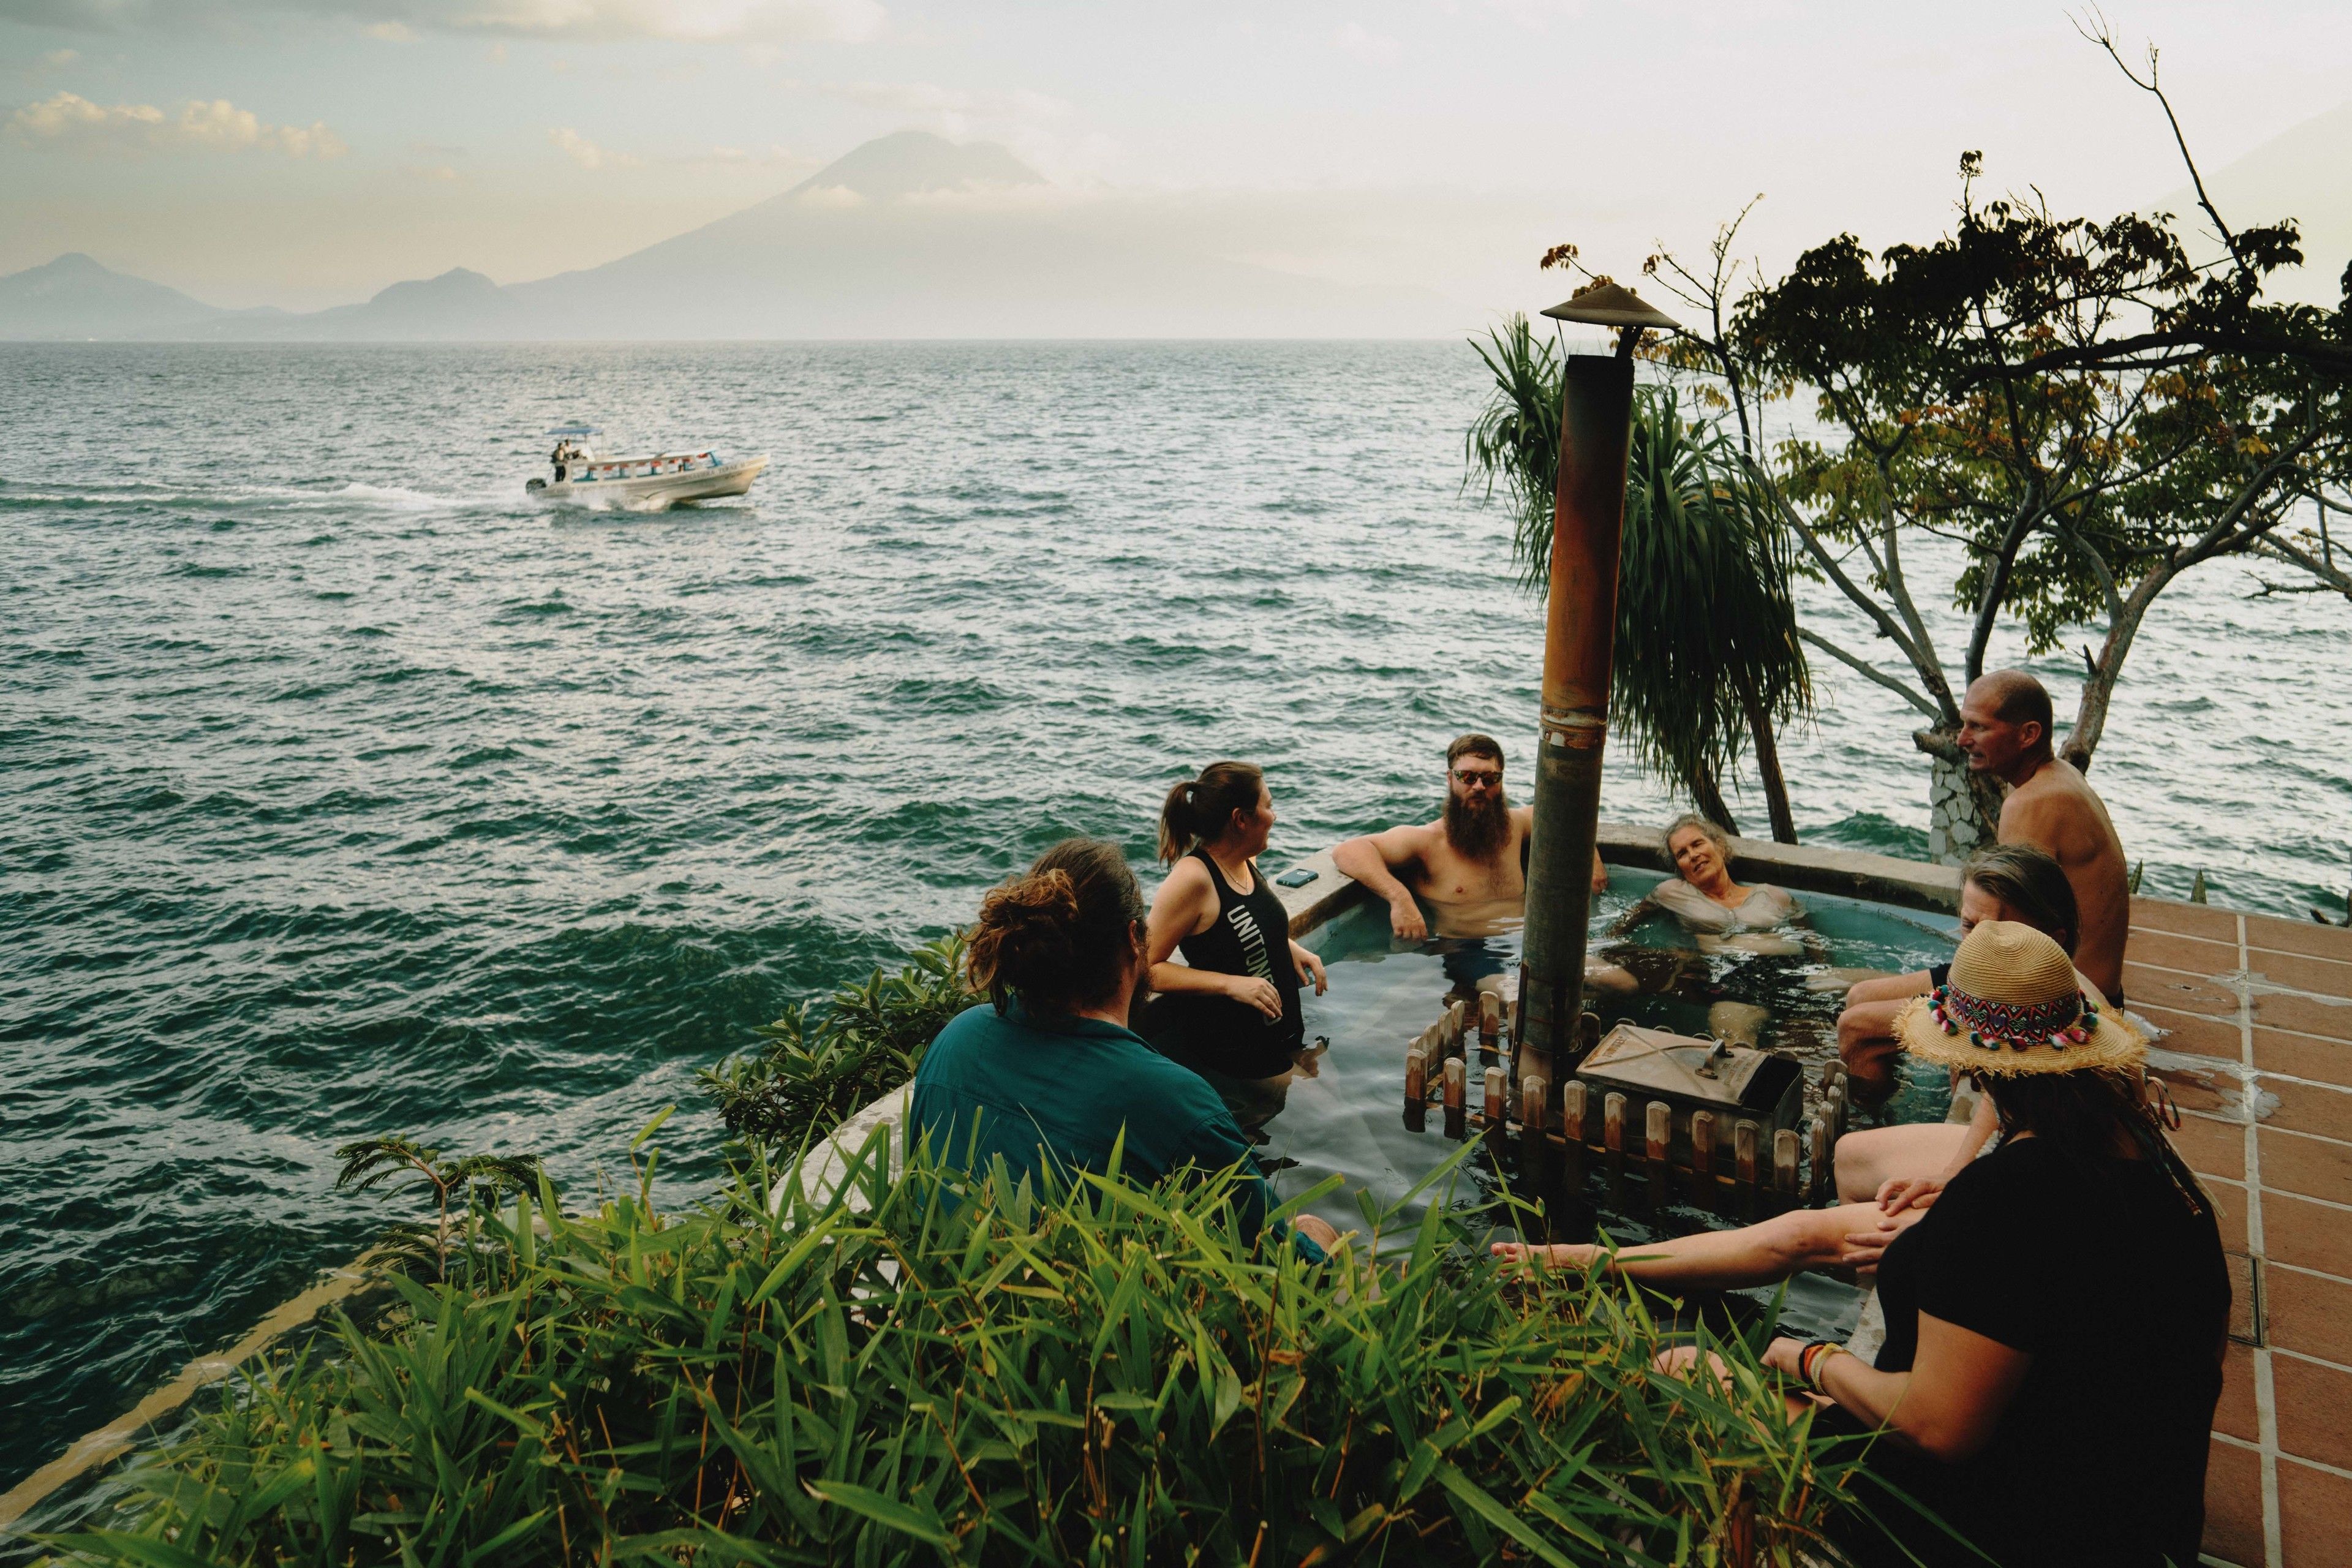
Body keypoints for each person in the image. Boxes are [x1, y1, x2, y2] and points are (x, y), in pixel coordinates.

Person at [1785, 922, 2222, 1568]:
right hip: (2142, 1530)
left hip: (2003, 1532)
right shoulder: (2167, 1179)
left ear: (1969, 1061)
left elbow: (1938, 1429)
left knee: (1691, 1369)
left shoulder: (2003, 1198)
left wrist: (1810, 1357)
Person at [909, 837, 1339, 1257]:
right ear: (1135, 938)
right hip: (1091, 1302)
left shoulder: (958, 1039)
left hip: (952, 1287)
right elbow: (1284, 1263)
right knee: (1315, 1231)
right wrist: (1313, 1236)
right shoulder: (1172, 1101)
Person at [1833, 844, 2090, 1198]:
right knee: (1859, 1002)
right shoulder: (2023, 1004)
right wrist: (1954, 1170)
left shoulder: (2041, 1012)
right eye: (1969, 927)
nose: (1974, 949)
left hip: (2044, 1173)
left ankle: (1870, 1120)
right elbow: (2006, 1077)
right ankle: (1875, 1113)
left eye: (1999, 933)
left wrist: (1956, 1178)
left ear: (2052, 940)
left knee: (1849, 1155)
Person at [1144, 762, 1328, 1134]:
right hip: (1242, 1056)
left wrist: (1285, 944)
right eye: (1268, 806)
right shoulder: (1193, 879)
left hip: (1285, 1037)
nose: (1274, 816)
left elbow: (1242, 922)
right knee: (1332, 1129)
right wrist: (1230, 984)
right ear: (1241, 819)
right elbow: (1146, 968)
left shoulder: (1244, 860)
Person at [1333, 733, 1607, 944]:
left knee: (1621, 983)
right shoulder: (1428, 841)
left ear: (1500, 780)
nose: (1479, 786)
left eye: (1490, 778)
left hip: (1530, 941)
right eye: (1467, 776)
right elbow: (1348, 850)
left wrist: (1591, 860)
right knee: (1512, 995)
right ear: (1450, 779)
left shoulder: (1515, 826)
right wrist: (1399, 898)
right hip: (1469, 949)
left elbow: (1563, 815)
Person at [1958, 669, 2130, 1004]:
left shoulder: (2032, 803)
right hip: (2098, 992)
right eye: (1965, 724)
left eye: (1978, 727)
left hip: (2074, 1004)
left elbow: (2008, 941)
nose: (1962, 740)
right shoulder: (2059, 776)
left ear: (2029, 734)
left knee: (1861, 1005)